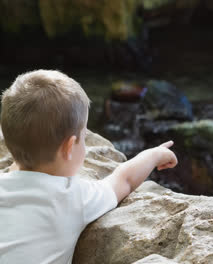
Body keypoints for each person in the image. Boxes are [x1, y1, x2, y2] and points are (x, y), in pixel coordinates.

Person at [0, 70, 178, 263]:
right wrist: (154, 154)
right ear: (69, 147)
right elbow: (123, 180)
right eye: (84, 137)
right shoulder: (73, 196)